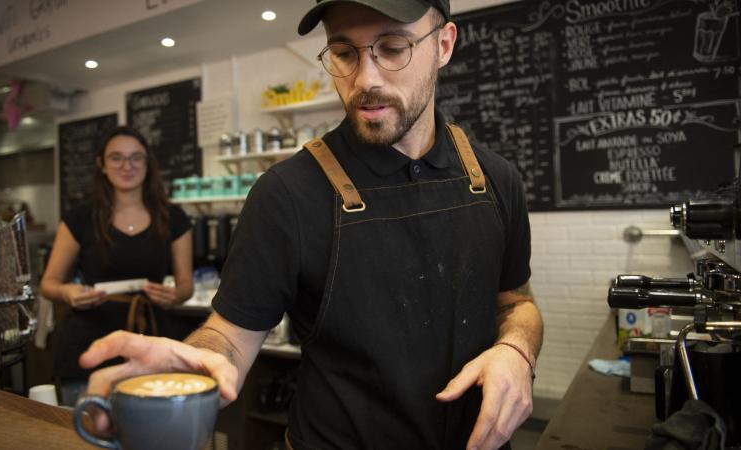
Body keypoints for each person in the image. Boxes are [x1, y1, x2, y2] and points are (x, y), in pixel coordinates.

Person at [81, 1, 544, 448]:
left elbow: (516, 305)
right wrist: (190, 372)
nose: (366, 78)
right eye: (343, 53)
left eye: (393, 48)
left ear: (443, 45)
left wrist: (517, 351)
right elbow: (228, 337)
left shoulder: (496, 179)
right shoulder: (286, 193)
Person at [40, 126, 194, 406]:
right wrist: (68, 293)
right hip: (89, 342)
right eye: (117, 158)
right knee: (85, 436)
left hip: (150, 340)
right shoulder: (80, 217)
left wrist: (175, 295)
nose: (127, 166)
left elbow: (186, 286)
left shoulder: (173, 217)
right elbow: (49, 283)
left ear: (148, 163)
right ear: (101, 164)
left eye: (136, 157)